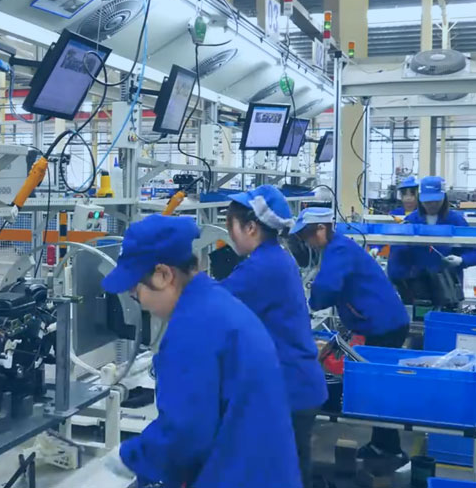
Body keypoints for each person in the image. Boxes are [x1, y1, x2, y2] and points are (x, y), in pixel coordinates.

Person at [101, 214, 301, 488]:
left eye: (136, 291)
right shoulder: (215, 302)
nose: (139, 303)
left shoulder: (192, 328)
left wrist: (131, 458)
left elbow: (185, 432)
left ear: (163, 275)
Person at [221, 186, 328, 488]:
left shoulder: (262, 267)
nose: (230, 235)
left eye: (231, 227)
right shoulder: (276, 257)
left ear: (251, 227)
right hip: (298, 384)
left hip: (288, 389)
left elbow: (213, 304)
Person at [291, 207, 410, 466]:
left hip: (384, 325)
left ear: (321, 228)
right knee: (376, 385)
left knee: (376, 387)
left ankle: (390, 449)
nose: (306, 242)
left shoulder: (339, 250)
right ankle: (383, 444)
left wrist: (309, 304)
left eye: (307, 235)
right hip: (380, 322)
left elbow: (327, 287)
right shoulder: (337, 247)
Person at [389, 176, 476, 281]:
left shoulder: (456, 221)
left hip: (449, 283)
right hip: (418, 282)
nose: (432, 205)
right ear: (420, 199)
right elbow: (397, 254)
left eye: (436, 201)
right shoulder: (411, 220)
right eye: (428, 202)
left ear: (444, 198)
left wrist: (462, 260)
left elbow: (473, 250)